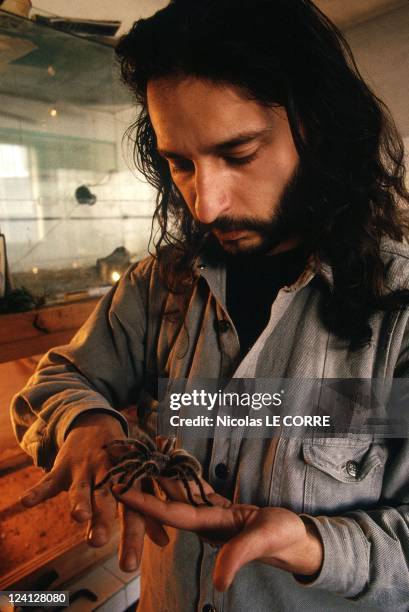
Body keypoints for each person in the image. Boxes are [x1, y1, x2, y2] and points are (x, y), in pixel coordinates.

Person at [10, 0, 409, 610]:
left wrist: (310, 544)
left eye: (239, 154)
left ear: (317, 127)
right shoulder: (159, 287)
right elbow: (63, 375)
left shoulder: (398, 313)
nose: (205, 204)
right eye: (180, 164)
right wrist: (86, 423)